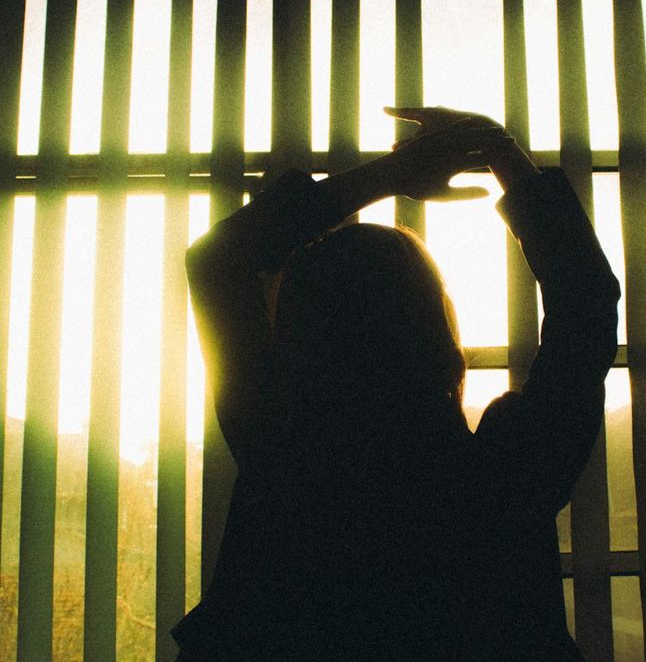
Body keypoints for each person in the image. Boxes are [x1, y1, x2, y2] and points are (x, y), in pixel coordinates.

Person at [173, 107, 620, 660]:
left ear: (297, 333)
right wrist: (498, 149)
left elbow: (216, 260)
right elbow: (586, 304)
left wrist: (391, 174)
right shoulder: (505, 475)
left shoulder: (279, 449)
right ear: (436, 330)